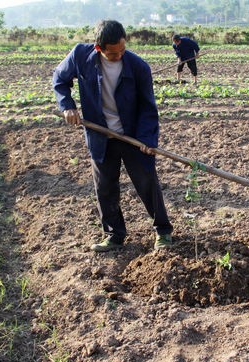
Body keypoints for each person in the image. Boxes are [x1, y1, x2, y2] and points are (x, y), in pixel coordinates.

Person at [53, 20, 174, 252]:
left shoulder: (138, 67)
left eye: (122, 50)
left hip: (132, 137)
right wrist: (67, 105)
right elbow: (59, 79)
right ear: (98, 48)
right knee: (105, 187)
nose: (118, 55)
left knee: (147, 182)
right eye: (112, 53)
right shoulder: (81, 56)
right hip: (100, 135)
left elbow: (148, 108)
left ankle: (163, 231)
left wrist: (148, 140)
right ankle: (114, 235)